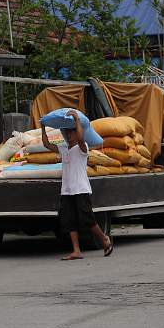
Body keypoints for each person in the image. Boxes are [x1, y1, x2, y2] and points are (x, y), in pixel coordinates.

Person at [42, 109, 113, 260]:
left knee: (88, 219)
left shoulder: (83, 147)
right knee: (69, 221)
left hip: (80, 189)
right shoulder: (63, 148)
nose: (69, 134)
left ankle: (104, 239)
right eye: (67, 132)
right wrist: (43, 126)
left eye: (72, 131)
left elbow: (80, 137)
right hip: (67, 190)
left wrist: (76, 120)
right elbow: (46, 144)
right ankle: (76, 250)